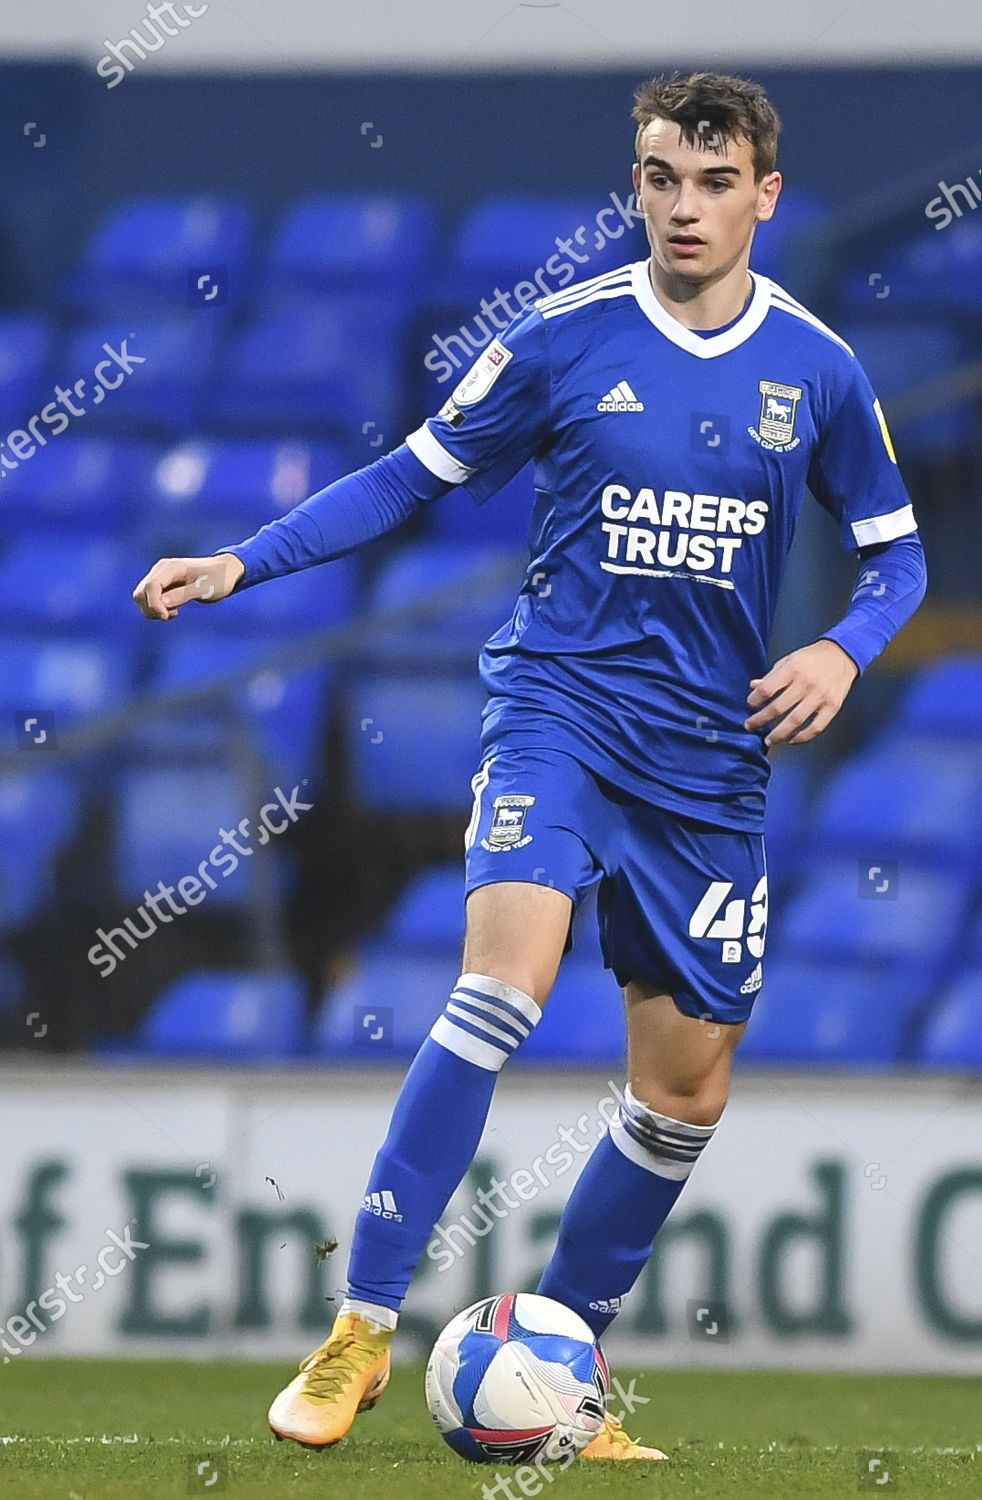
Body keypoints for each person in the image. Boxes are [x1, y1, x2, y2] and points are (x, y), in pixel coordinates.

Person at [133, 70, 927, 1461]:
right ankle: (361, 1327)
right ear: (637, 186)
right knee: (501, 984)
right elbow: (409, 474)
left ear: (764, 195)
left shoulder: (816, 369)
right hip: (558, 713)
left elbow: (898, 555)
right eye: (659, 179)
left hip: (707, 761)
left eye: (711, 181)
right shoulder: (561, 338)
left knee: (685, 1091)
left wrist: (845, 649)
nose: (682, 207)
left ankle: (560, 1366)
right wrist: (241, 559)